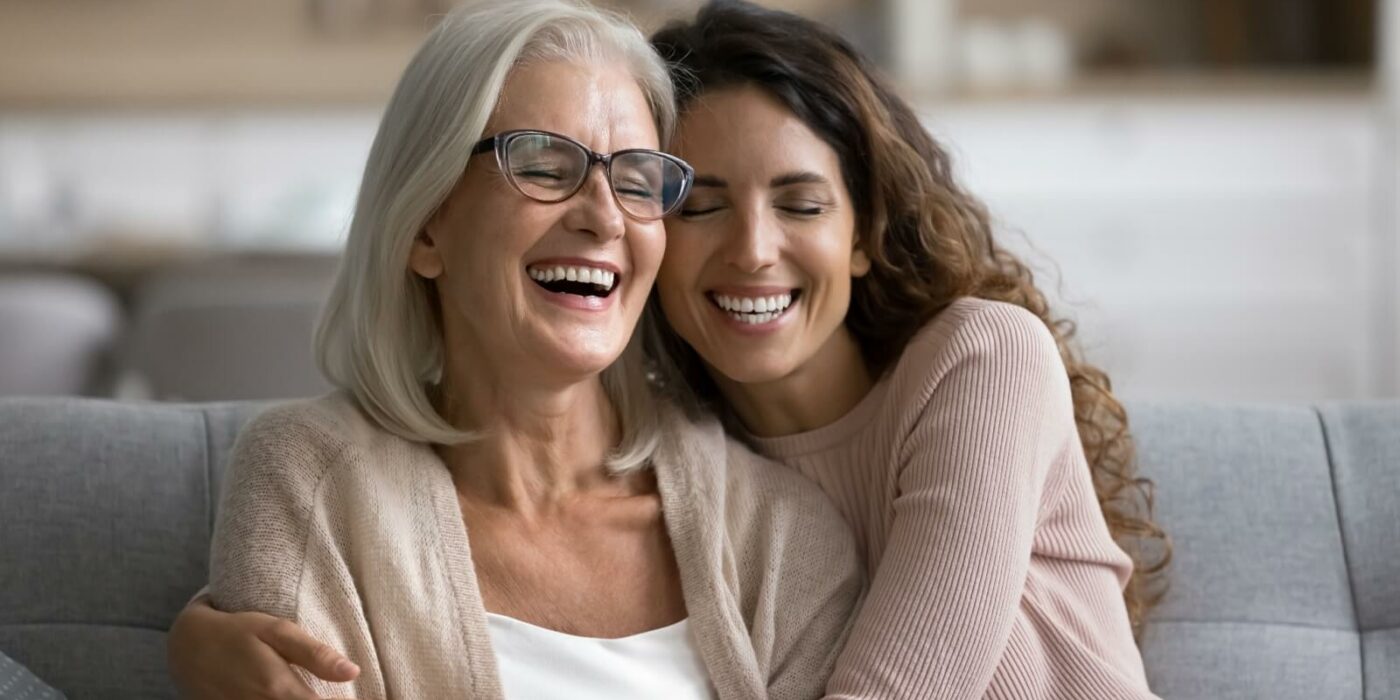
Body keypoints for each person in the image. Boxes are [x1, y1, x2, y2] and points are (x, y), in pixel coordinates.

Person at [170, 1, 862, 697]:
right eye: (542, 164)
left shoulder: (778, 535)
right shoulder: (311, 479)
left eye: (635, 179)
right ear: (425, 226)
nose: (603, 216)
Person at [643, 2, 1170, 698]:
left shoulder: (982, 360)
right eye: (701, 209)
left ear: (863, 236)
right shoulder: (673, 456)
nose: (752, 251)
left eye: (801, 205)